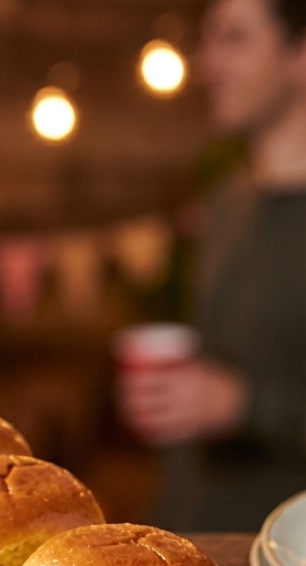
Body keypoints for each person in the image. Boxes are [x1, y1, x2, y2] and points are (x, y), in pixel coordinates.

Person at [118, 0, 306, 530]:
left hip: (291, 563)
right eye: (208, 41)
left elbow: (236, 395)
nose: (207, 62)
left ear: (300, 53)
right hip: (196, 536)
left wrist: (244, 405)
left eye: (235, 39)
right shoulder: (224, 202)